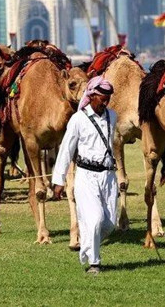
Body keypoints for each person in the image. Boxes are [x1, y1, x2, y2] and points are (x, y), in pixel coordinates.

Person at [51, 76, 118, 275]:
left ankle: (87, 246)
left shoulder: (112, 116)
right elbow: (66, 150)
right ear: (92, 95)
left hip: (108, 176)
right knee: (95, 219)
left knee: (109, 224)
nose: (105, 102)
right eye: (102, 98)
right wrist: (58, 180)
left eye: (108, 99)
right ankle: (94, 263)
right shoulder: (78, 119)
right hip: (86, 176)